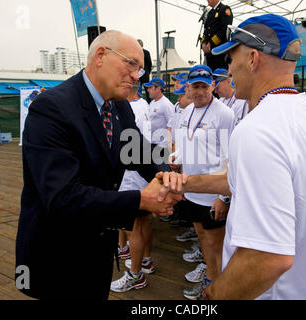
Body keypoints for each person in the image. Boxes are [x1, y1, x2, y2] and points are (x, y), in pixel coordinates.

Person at [158, 14, 306, 300]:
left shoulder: (258, 129)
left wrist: (214, 296)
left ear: (253, 58)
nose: (229, 71)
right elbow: (234, 183)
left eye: (232, 59)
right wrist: (180, 184)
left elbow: (269, 258)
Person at [15, 30, 182, 300]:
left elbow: (138, 150)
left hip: (99, 249)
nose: (136, 75)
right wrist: (141, 199)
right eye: (131, 64)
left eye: (140, 69)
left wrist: (163, 172)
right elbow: (62, 197)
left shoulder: (119, 107)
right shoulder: (50, 108)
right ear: (101, 56)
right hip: (58, 255)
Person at [172, 64, 234, 300]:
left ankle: (218, 292)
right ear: (188, 87)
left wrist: (223, 197)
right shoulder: (186, 112)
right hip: (192, 189)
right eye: (195, 86)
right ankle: (211, 282)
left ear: (213, 86)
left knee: (216, 246)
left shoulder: (224, 114)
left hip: (213, 192)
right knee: (202, 239)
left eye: (204, 87)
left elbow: (231, 157)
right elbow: (183, 142)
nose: (200, 92)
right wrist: (176, 161)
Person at [111, 82, 155, 292]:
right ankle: (145, 260)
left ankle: (135, 274)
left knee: (132, 226)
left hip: (131, 172)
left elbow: (128, 144)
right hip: (142, 171)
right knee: (143, 220)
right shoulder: (144, 104)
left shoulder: (127, 107)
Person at [201, 0, 233, 71]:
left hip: (220, 52)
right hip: (210, 53)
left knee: (220, 76)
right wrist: (203, 43)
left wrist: (210, 43)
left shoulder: (225, 9)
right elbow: (206, 31)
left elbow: (224, 30)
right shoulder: (210, 13)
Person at [144, 77, 175, 150]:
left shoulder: (166, 104)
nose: (148, 90)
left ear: (158, 89)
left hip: (162, 146)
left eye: (150, 87)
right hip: (152, 143)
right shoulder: (152, 102)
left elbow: (172, 125)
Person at [138, 39, 152, 103]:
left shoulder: (146, 52)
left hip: (143, 74)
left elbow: (149, 64)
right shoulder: (146, 52)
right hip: (140, 74)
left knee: (147, 90)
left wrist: (147, 72)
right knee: (138, 89)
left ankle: (148, 102)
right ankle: (140, 101)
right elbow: (150, 64)